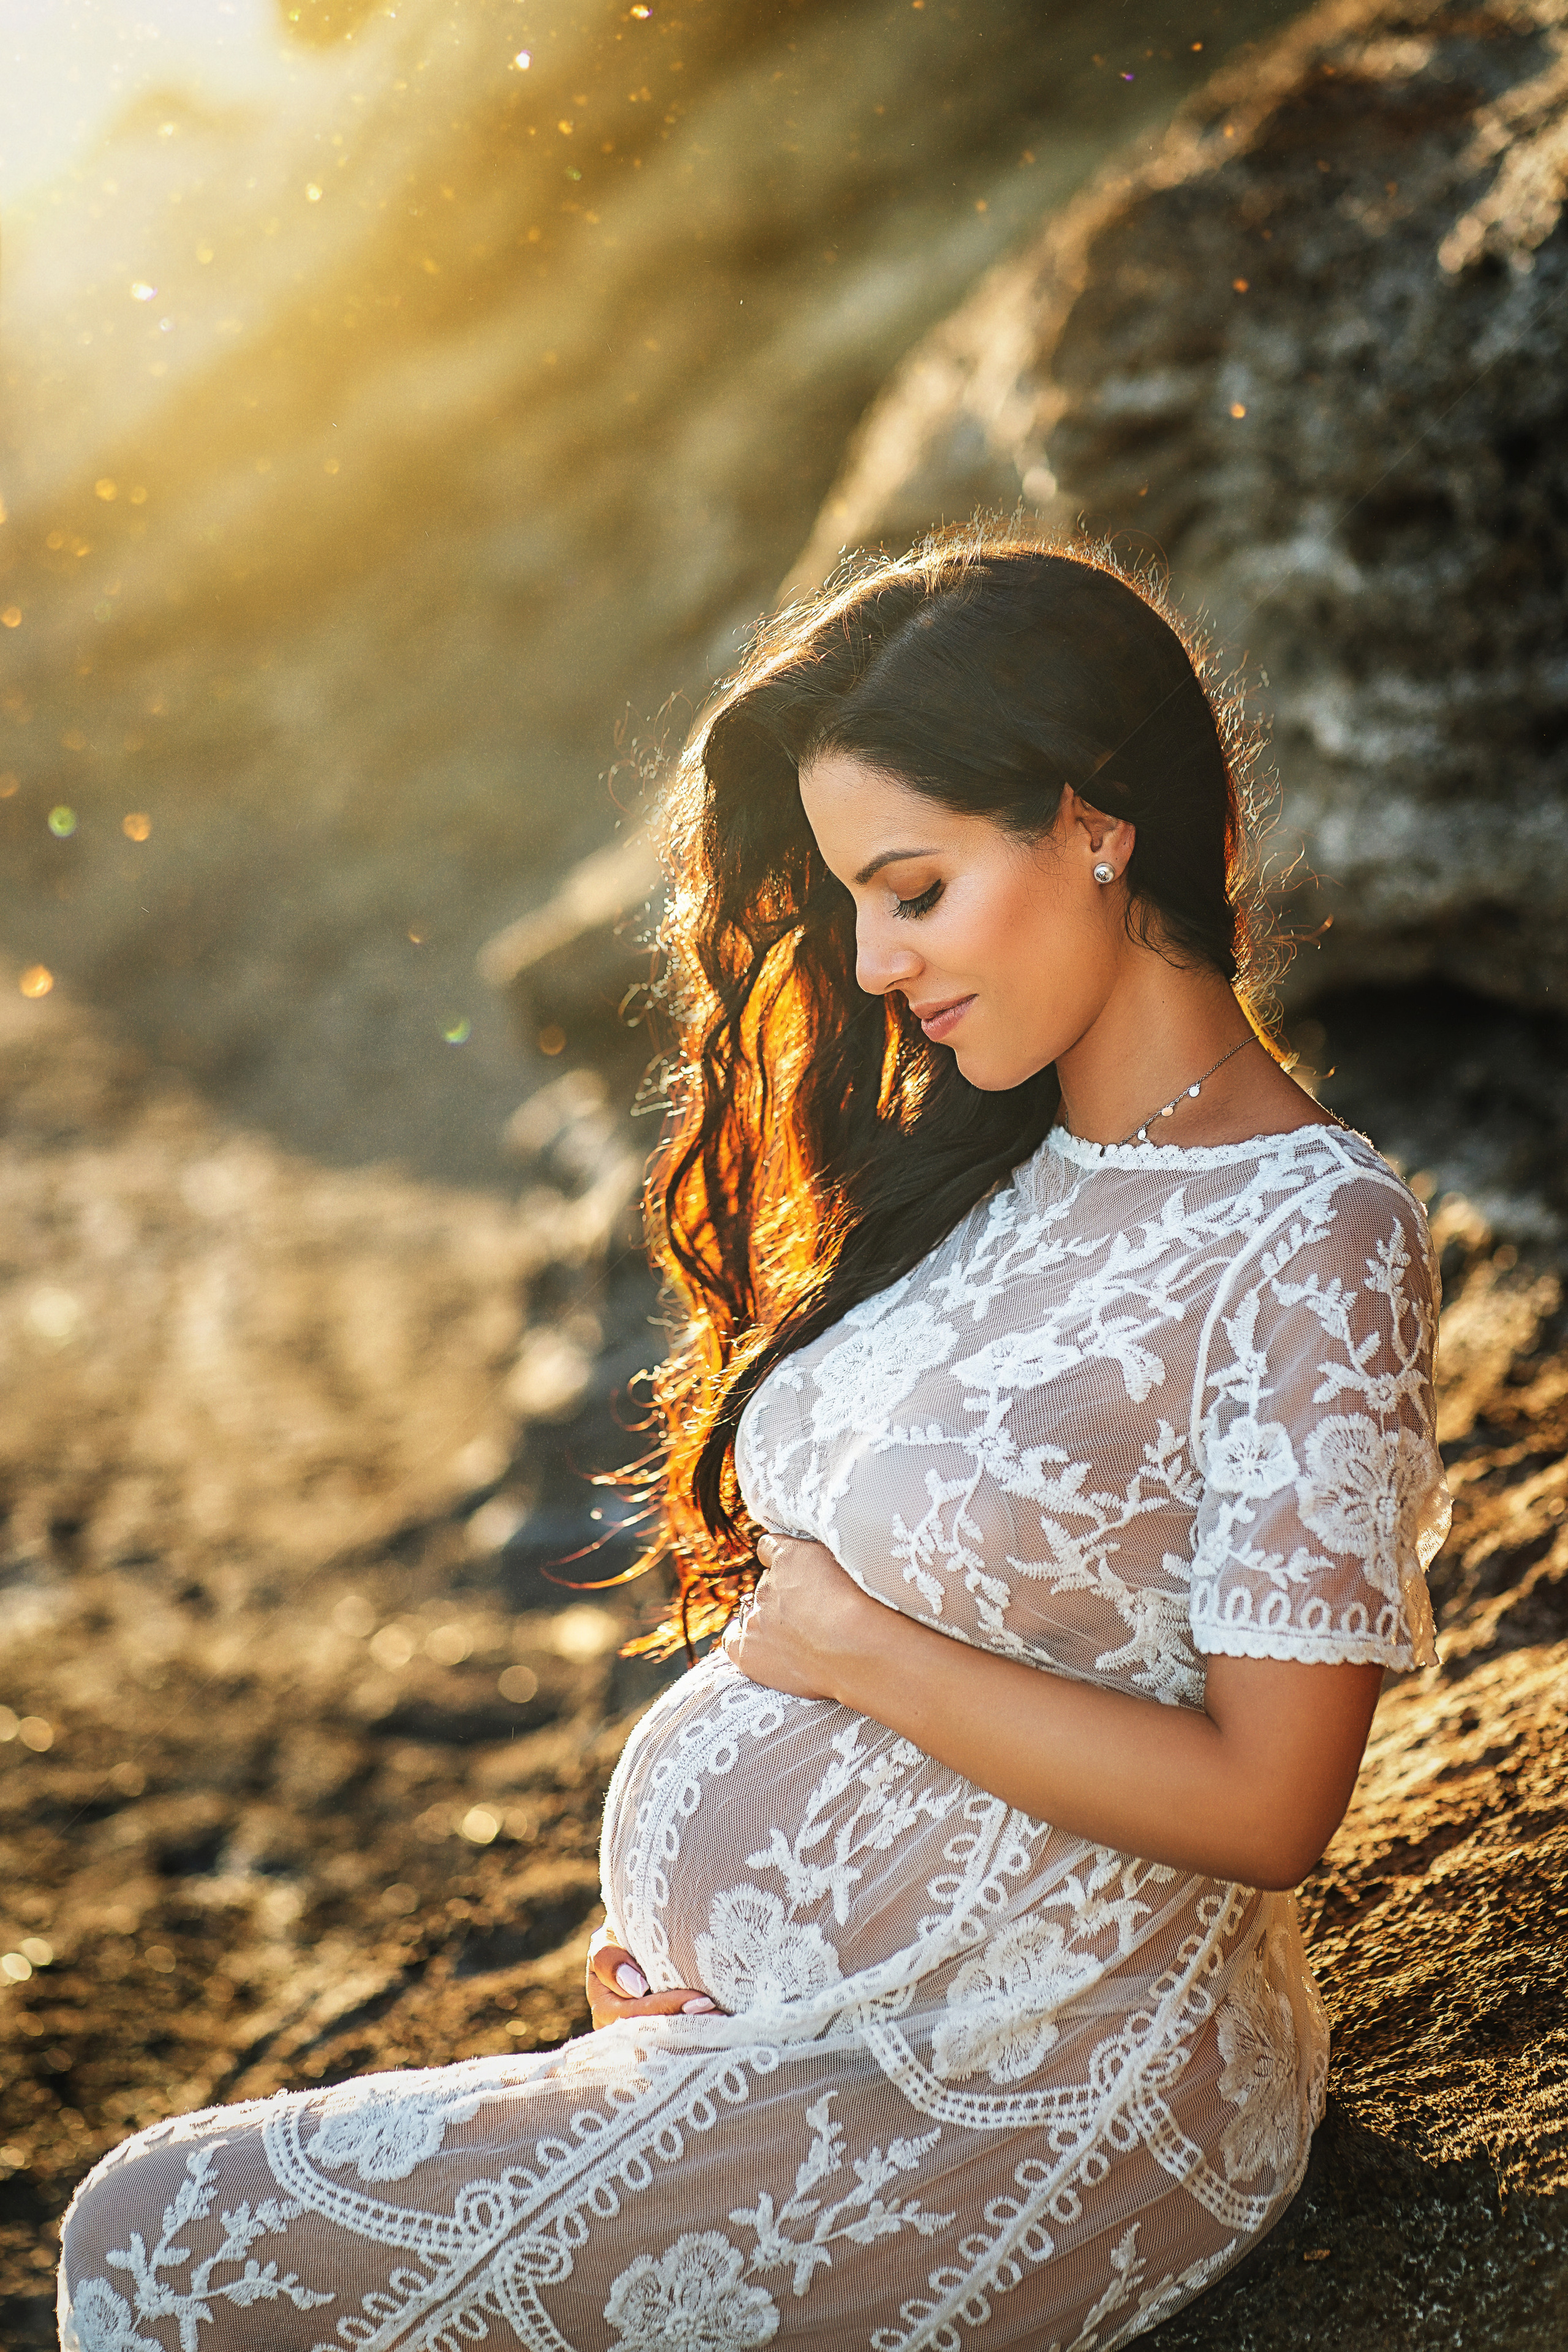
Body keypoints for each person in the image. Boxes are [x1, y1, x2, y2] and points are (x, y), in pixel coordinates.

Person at [58, 535, 1449, 2352]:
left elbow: (1273, 1806)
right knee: (167, 2227)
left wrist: (850, 1653)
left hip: (1041, 2088)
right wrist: (730, 1945)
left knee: (152, 2243)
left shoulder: (1310, 1235)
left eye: (916, 890)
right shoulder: (994, 1167)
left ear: (1095, 828)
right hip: (810, 2030)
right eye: (854, 902)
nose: (874, 964)